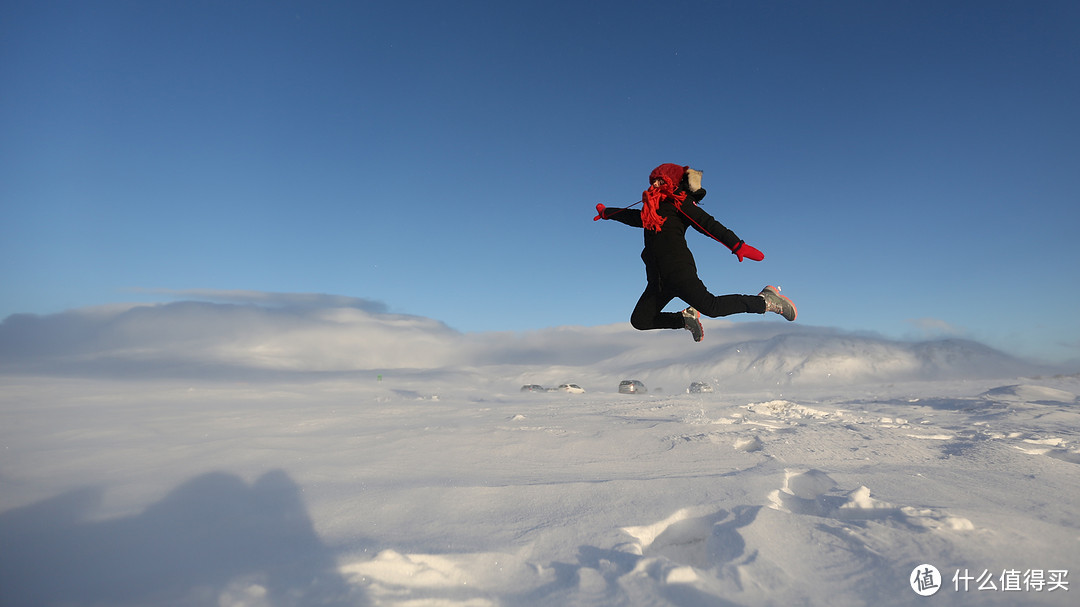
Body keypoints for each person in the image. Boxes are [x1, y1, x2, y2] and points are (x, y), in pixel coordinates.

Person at [594, 163, 796, 342]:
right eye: (653, 181)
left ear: (672, 181)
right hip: (658, 280)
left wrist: (737, 245)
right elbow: (632, 217)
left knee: (712, 307)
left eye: (659, 180)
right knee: (640, 320)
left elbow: (708, 224)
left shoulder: (679, 203)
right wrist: (607, 213)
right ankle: (685, 319)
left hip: (679, 271)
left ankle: (766, 301)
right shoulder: (651, 212)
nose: (654, 185)